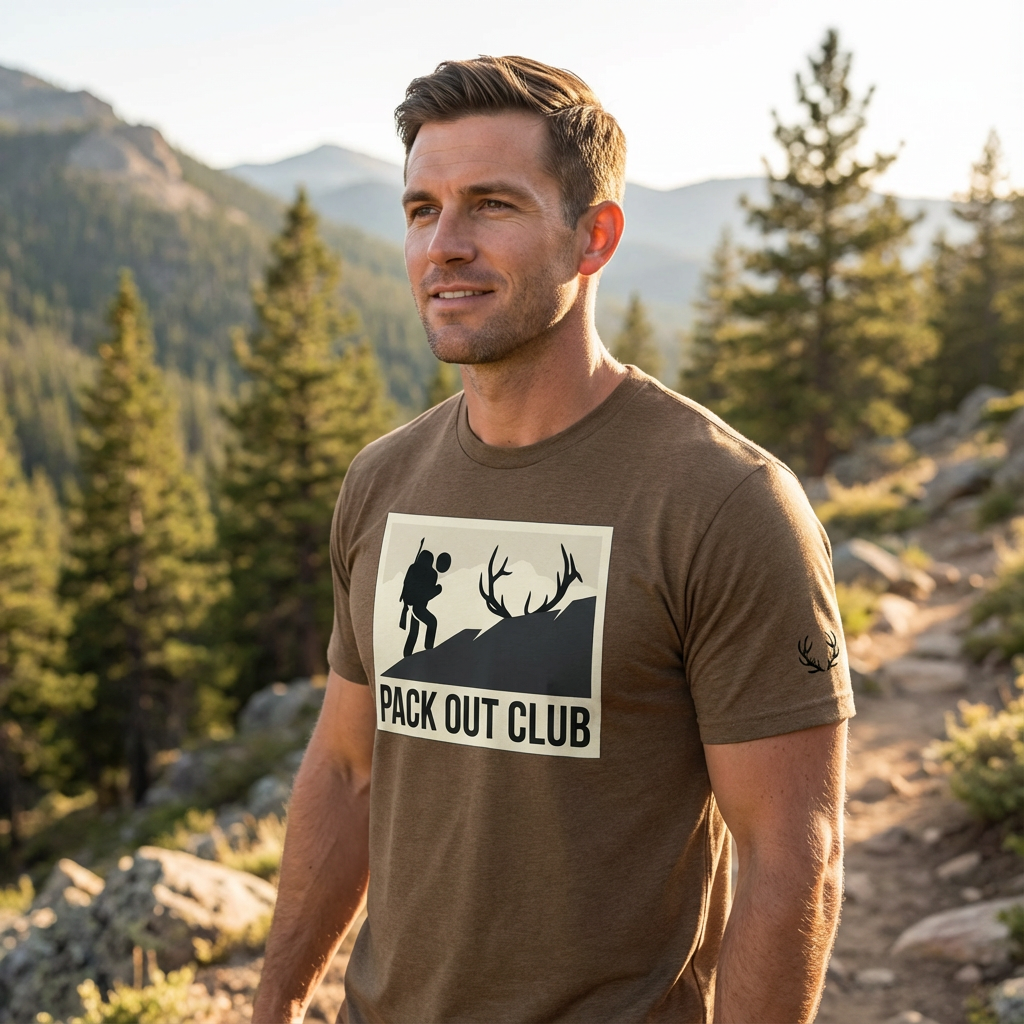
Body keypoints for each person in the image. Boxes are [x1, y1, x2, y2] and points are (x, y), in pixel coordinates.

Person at [254, 56, 854, 1024]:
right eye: (420, 209)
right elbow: (345, 768)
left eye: (491, 205)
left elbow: (793, 854)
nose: (442, 245)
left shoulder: (720, 498)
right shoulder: (384, 481)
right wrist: (275, 997)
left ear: (594, 235)